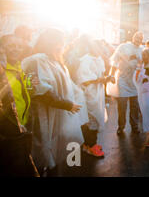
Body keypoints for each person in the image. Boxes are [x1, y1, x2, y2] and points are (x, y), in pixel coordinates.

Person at [21, 28, 88, 175]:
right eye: (61, 42)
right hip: (43, 118)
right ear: (52, 43)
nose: (63, 46)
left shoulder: (57, 62)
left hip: (61, 117)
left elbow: (68, 86)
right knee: (41, 155)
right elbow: (34, 89)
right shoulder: (34, 61)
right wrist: (67, 104)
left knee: (59, 153)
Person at [0, 35, 39, 176]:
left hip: (24, 121)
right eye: (11, 45)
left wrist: (31, 84)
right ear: (2, 49)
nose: (15, 49)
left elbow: (26, 92)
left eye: (18, 46)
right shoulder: (3, 71)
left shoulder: (19, 67)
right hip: (9, 129)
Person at [74, 35, 111, 158]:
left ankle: (88, 145)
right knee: (91, 120)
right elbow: (84, 79)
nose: (100, 49)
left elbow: (101, 74)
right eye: (98, 47)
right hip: (88, 95)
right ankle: (91, 145)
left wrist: (106, 78)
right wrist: (101, 79)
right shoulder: (85, 60)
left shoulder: (99, 59)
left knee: (95, 118)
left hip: (98, 94)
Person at [107, 31, 143, 135]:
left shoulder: (142, 50)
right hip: (122, 79)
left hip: (135, 80)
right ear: (133, 37)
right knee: (122, 104)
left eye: (140, 38)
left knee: (134, 105)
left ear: (142, 40)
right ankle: (121, 126)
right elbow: (115, 60)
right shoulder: (123, 47)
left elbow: (145, 64)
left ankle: (134, 126)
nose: (138, 39)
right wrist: (112, 74)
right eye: (137, 37)